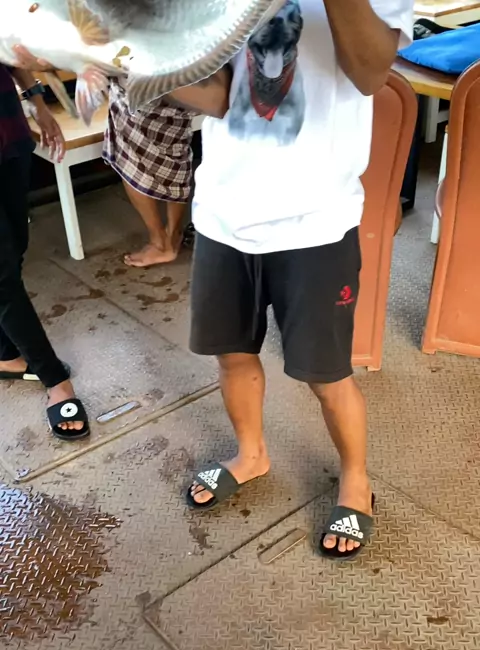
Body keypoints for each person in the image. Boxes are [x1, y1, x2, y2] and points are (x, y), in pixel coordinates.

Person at [186, 0, 413, 561]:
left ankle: (356, 480)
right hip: (222, 212)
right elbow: (220, 95)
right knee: (232, 355)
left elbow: (370, 73)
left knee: (327, 375)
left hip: (317, 220)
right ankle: (251, 454)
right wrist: (128, 69)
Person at [0, 60, 89, 440]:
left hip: (8, 130)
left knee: (15, 250)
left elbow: (10, 50)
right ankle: (56, 381)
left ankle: (6, 354)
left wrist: (37, 102)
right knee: (2, 276)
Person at [103, 79, 194, 267]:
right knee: (176, 153)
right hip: (180, 83)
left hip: (138, 86)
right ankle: (173, 234)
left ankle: (160, 242)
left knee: (131, 160)